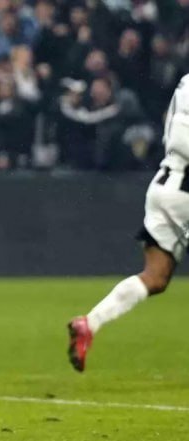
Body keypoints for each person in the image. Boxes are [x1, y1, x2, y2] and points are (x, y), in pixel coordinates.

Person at [68, 73, 189, 372]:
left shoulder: (185, 82)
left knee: (155, 277)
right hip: (185, 191)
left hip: (163, 185)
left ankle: (89, 323)